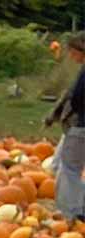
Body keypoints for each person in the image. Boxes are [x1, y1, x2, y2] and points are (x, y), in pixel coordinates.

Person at [45, 32, 85, 222]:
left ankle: (70, 214)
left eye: (72, 51)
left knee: (69, 169)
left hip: (82, 126)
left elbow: (77, 97)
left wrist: (72, 112)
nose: (70, 55)